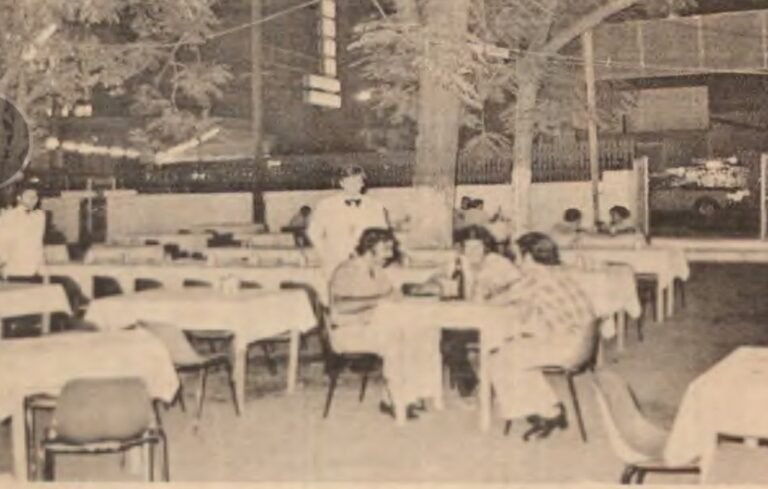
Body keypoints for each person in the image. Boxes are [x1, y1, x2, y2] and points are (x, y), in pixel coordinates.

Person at [486, 232, 596, 441]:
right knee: (516, 349)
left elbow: (495, 301)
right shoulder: (558, 272)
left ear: (528, 257)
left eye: (516, 256)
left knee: (498, 357)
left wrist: (493, 290)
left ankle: (546, 414)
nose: (515, 261)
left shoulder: (535, 278)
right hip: (584, 342)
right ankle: (549, 408)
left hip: (568, 347)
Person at [329, 228, 423, 419]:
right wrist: (378, 300)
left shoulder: (377, 270)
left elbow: (390, 295)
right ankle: (397, 402)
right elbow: (341, 306)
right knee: (395, 340)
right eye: (385, 249)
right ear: (370, 248)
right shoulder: (347, 270)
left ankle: (398, 396)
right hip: (347, 332)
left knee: (413, 334)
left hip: (370, 328)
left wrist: (406, 293)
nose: (389, 254)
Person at [307, 165, 389, 277]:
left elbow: (382, 235)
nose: (353, 185)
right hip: (335, 263)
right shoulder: (325, 205)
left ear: (363, 183)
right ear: (341, 183)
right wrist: (325, 255)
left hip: (365, 263)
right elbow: (313, 233)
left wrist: (375, 258)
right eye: (349, 181)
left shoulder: (375, 206)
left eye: (357, 181)